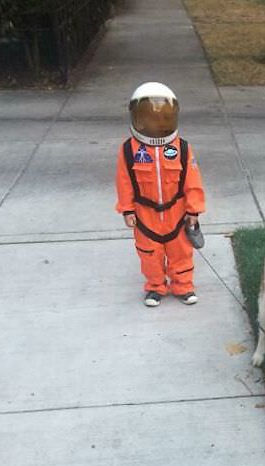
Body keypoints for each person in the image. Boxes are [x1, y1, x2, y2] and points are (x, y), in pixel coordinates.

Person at [115, 82, 206, 307]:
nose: (157, 123)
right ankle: (155, 287)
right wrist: (127, 209)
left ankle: (183, 285)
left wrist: (193, 209)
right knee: (149, 254)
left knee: (181, 252)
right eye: (150, 118)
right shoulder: (129, 151)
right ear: (137, 118)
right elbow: (124, 181)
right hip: (145, 215)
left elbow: (192, 180)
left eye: (164, 117)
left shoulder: (181, 148)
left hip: (176, 213)